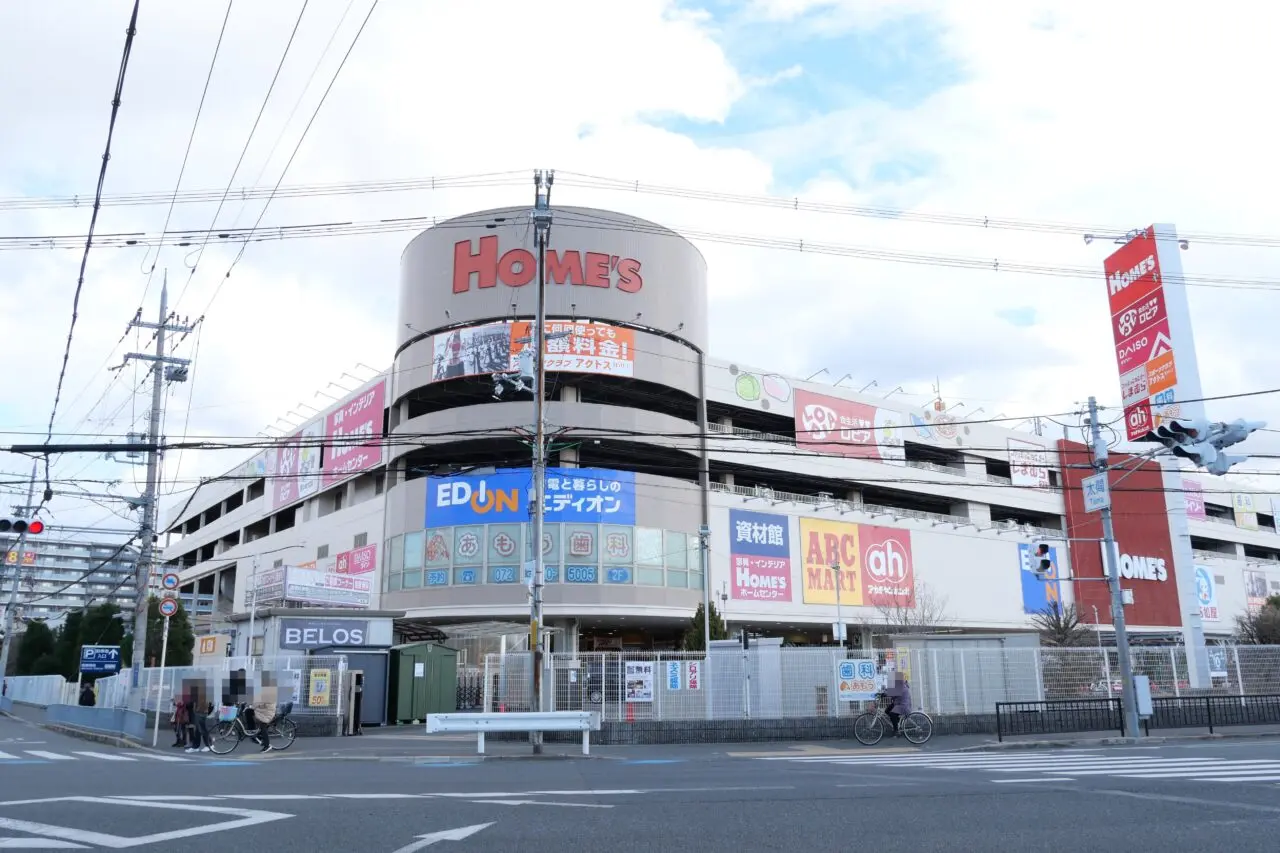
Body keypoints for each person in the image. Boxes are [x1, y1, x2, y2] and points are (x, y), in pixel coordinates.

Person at [884, 671, 912, 737]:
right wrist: (884, 692)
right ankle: (896, 721)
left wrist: (885, 694)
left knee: (892, 714)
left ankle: (896, 730)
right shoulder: (899, 684)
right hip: (898, 703)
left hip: (903, 706)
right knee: (887, 710)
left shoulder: (902, 686)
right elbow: (891, 690)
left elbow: (893, 693)